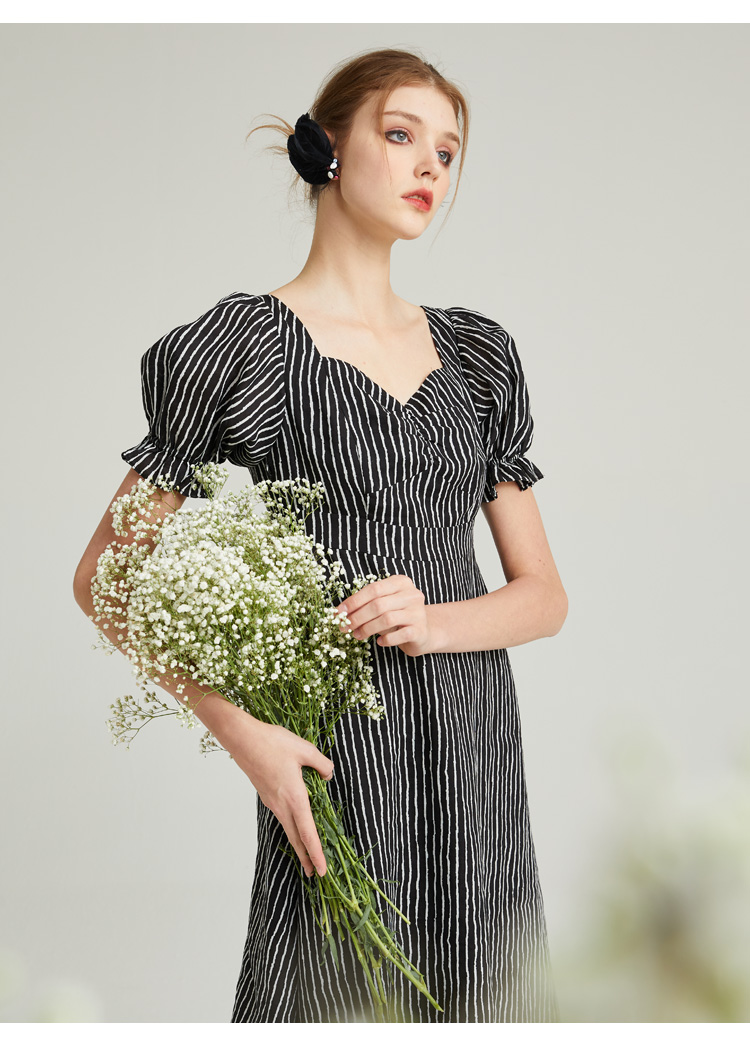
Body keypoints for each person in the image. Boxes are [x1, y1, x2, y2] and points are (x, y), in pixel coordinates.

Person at [74, 46, 568, 1024]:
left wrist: (434, 622)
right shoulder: (243, 348)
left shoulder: (478, 356)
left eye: (448, 152)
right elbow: (104, 577)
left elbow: (544, 596)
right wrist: (246, 736)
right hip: (339, 744)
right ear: (329, 145)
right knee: (333, 1000)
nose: (430, 167)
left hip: (475, 737)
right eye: (402, 135)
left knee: (492, 998)